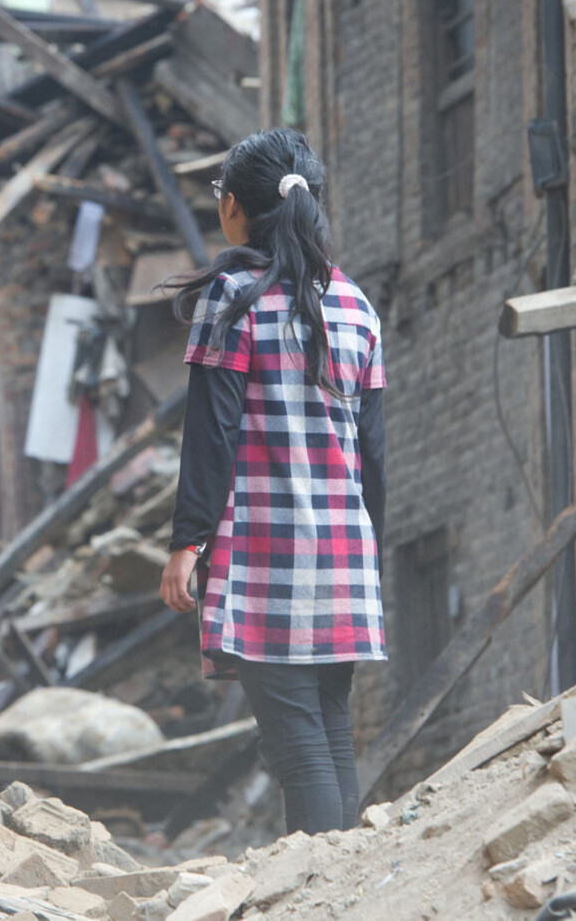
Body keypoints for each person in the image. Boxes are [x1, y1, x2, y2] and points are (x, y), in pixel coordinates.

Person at [158, 127, 386, 835]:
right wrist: (366, 551)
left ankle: (320, 901)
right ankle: (350, 896)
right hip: (345, 555)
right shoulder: (354, 305)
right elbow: (374, 452)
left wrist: (186, 542)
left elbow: (212, 433)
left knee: (299, 751)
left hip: (266, 555)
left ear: (232, 208)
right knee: (329, 730)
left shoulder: (230, 300)